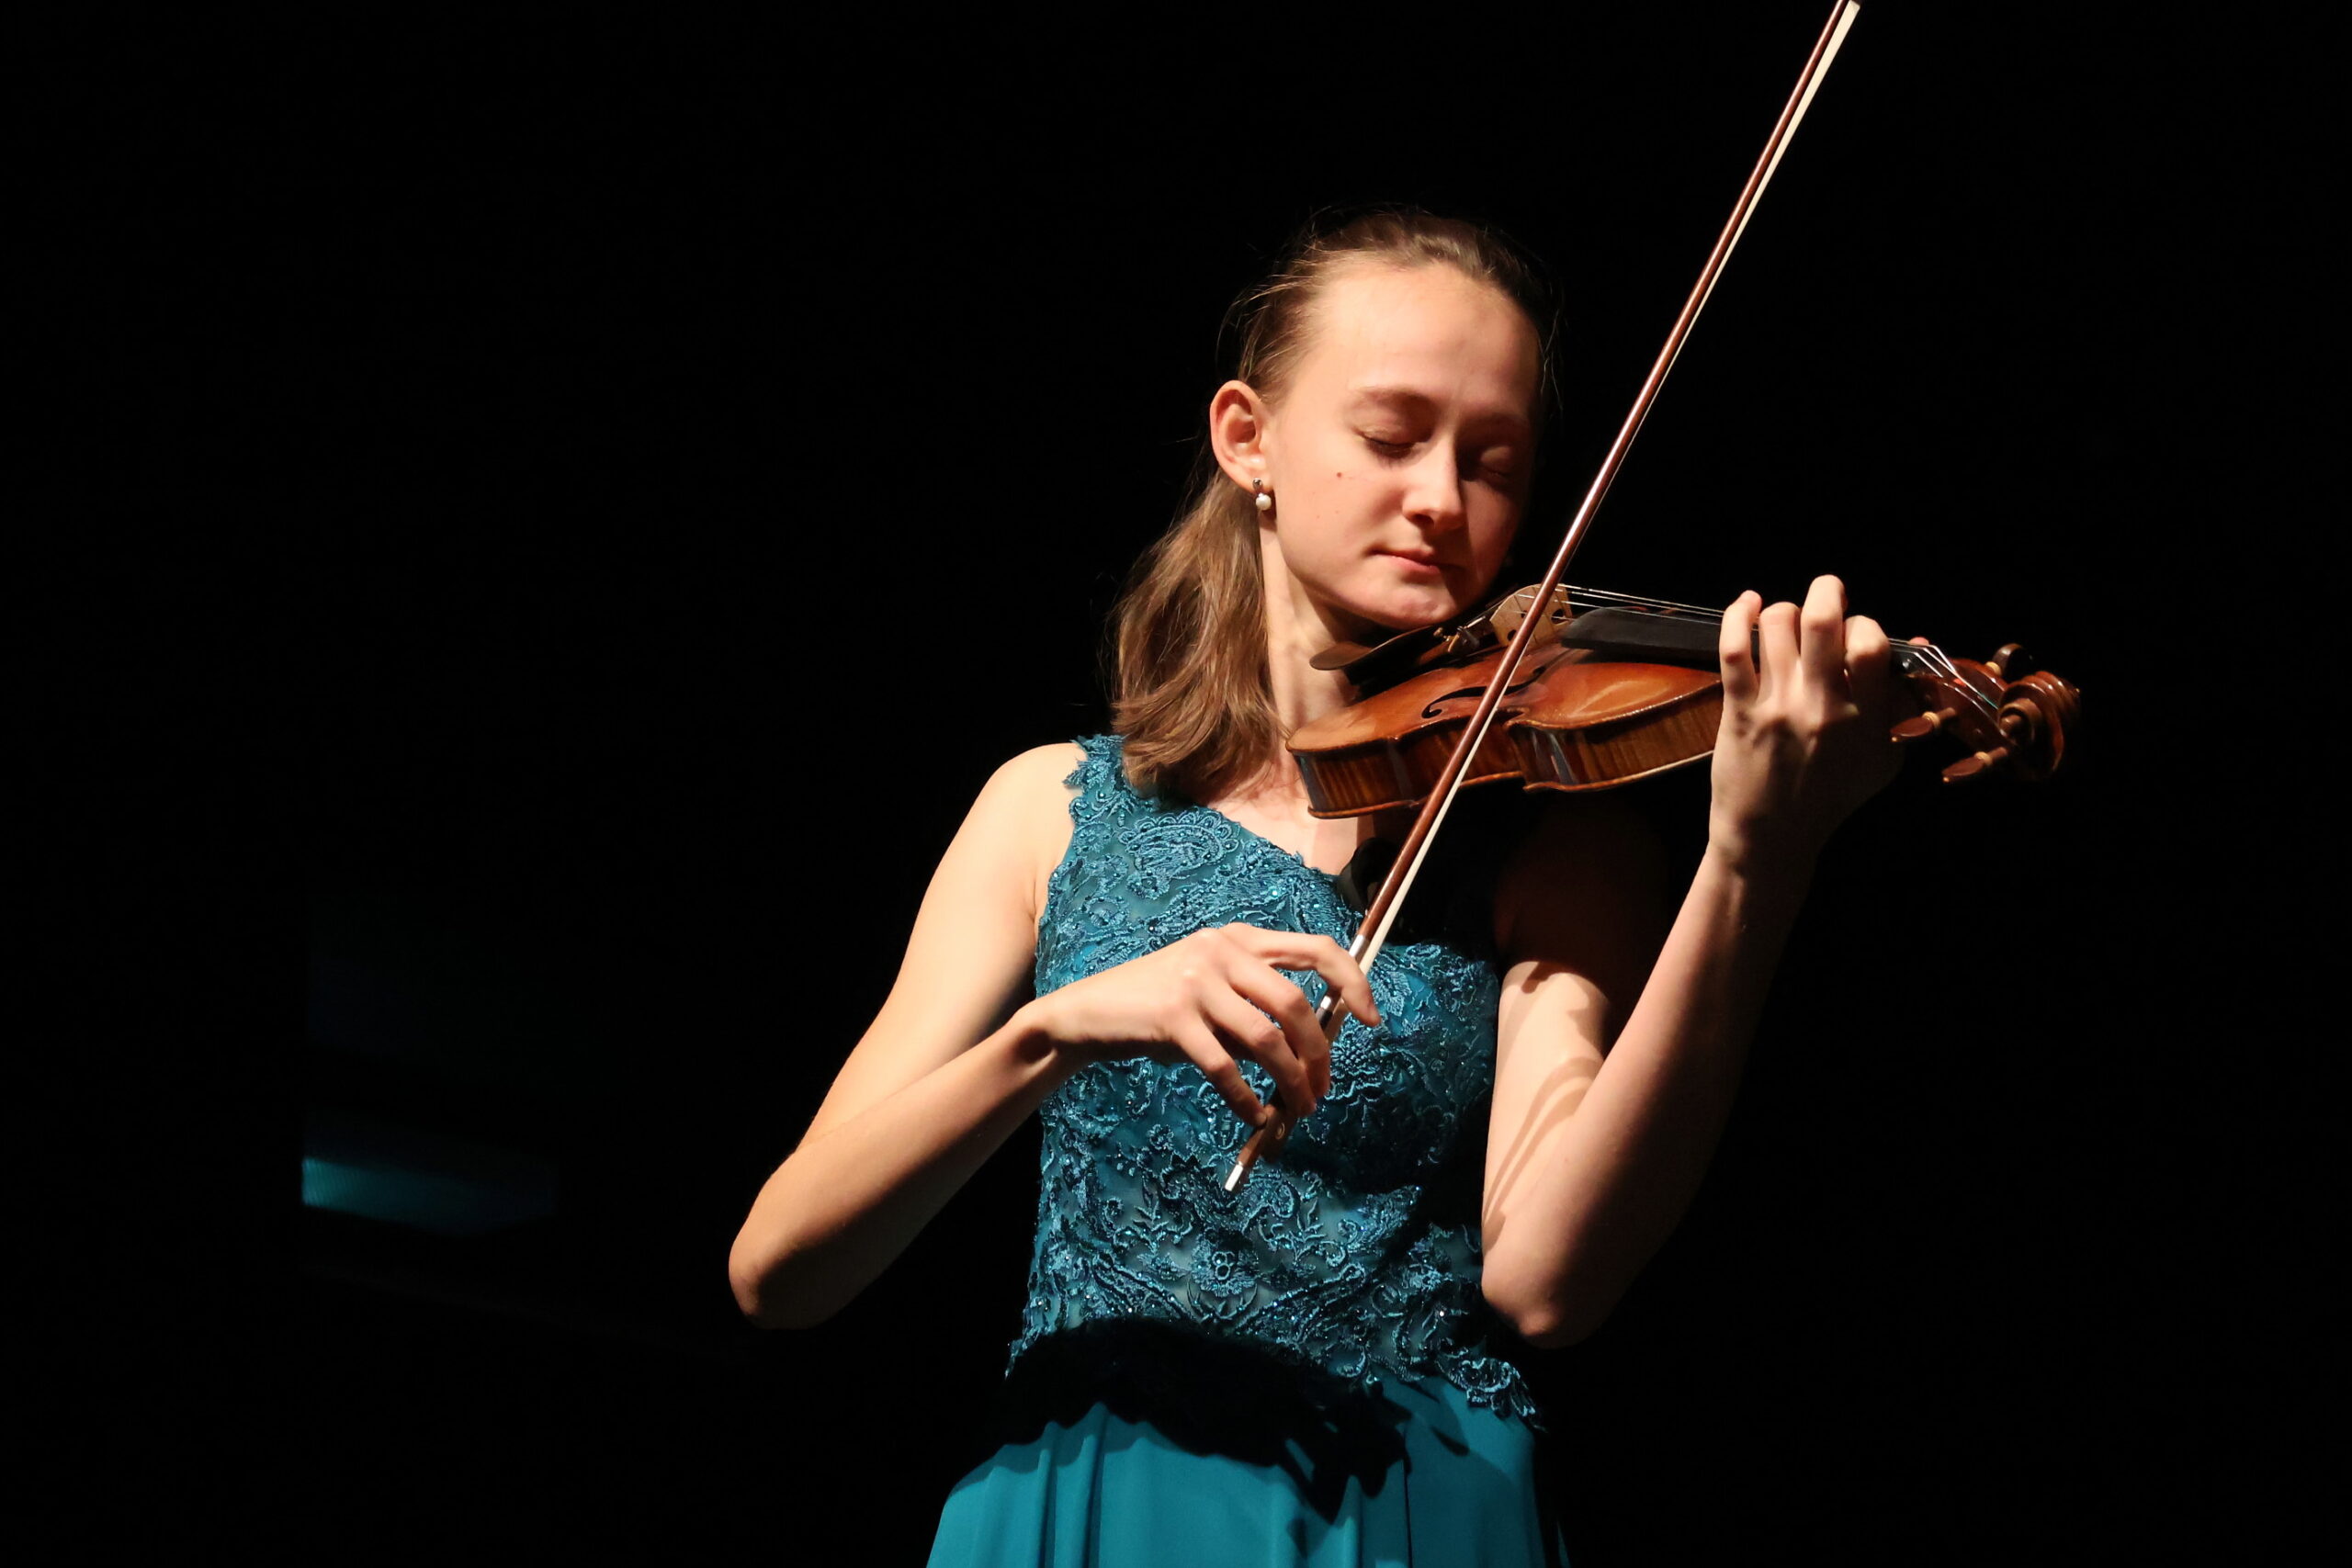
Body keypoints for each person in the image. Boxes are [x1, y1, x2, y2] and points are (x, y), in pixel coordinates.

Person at [727, 209, 1905, 1565]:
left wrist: (1754, 861)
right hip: (1092, 1501)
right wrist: (1054, 1032)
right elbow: (780, 1269)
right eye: (1392, 437)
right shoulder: (1049, 807)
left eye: (1494, 461)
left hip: (1399, 1508)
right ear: (1250, 440)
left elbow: (1549, 1283)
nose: (1442, 498)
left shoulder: (1550, 846)